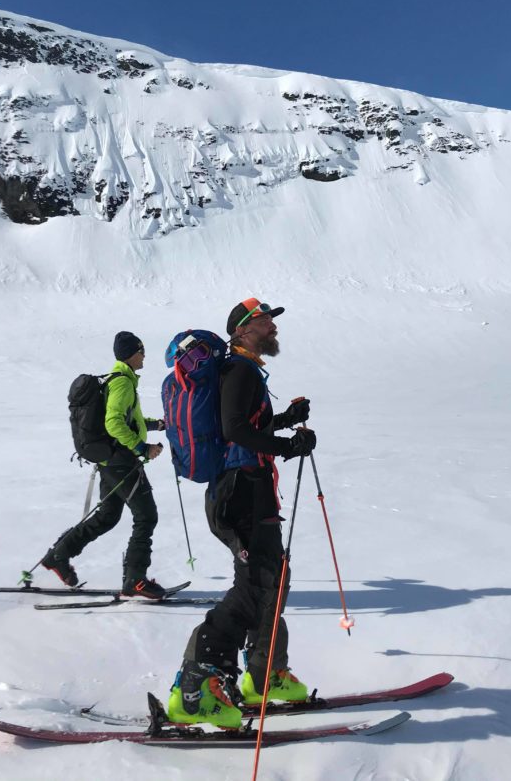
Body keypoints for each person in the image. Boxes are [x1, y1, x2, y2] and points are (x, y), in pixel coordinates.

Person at [167, 298, 317, 727]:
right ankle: (196, 689)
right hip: (240, 494)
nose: (273, 327)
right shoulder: (240, 370)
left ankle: (263, 675)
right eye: (266, 321)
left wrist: (286, 420)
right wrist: (288, 445)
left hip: (251, 490)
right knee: (254, 586)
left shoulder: (244, 370)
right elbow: (234, 430)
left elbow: (244, 428)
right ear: (243, 329)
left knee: (273, 579)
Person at [42, 331, 167, 599]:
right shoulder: (122, 383)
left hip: (111, 461)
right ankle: (135, 579)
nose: (144, 356)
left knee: (107, 516)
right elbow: (114, 423)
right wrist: (142, 447)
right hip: (121, 461)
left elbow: (129, 420)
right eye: (142, 351)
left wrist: (158, 425)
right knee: (146, 516)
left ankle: (58, 556)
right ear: (133, 353)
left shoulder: (120, 380)